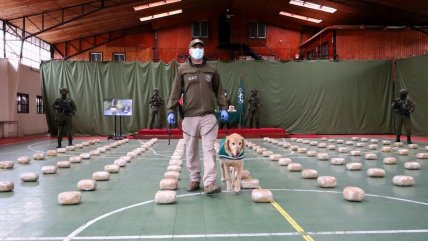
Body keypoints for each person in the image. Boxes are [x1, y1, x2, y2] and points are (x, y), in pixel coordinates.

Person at [166, 38, 229, 195]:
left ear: (204, 50)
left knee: (209, 150)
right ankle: (195, 179)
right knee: (191, 150)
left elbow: (219, 91)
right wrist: (170, 110)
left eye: (200, 47)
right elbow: (175, 92)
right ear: (189, 51)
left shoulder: (212, 69)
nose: (198, 49)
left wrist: (223, 108)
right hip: (189, 117)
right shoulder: (182, 70)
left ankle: (209, 183)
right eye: (195, 47)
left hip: (209, 116)